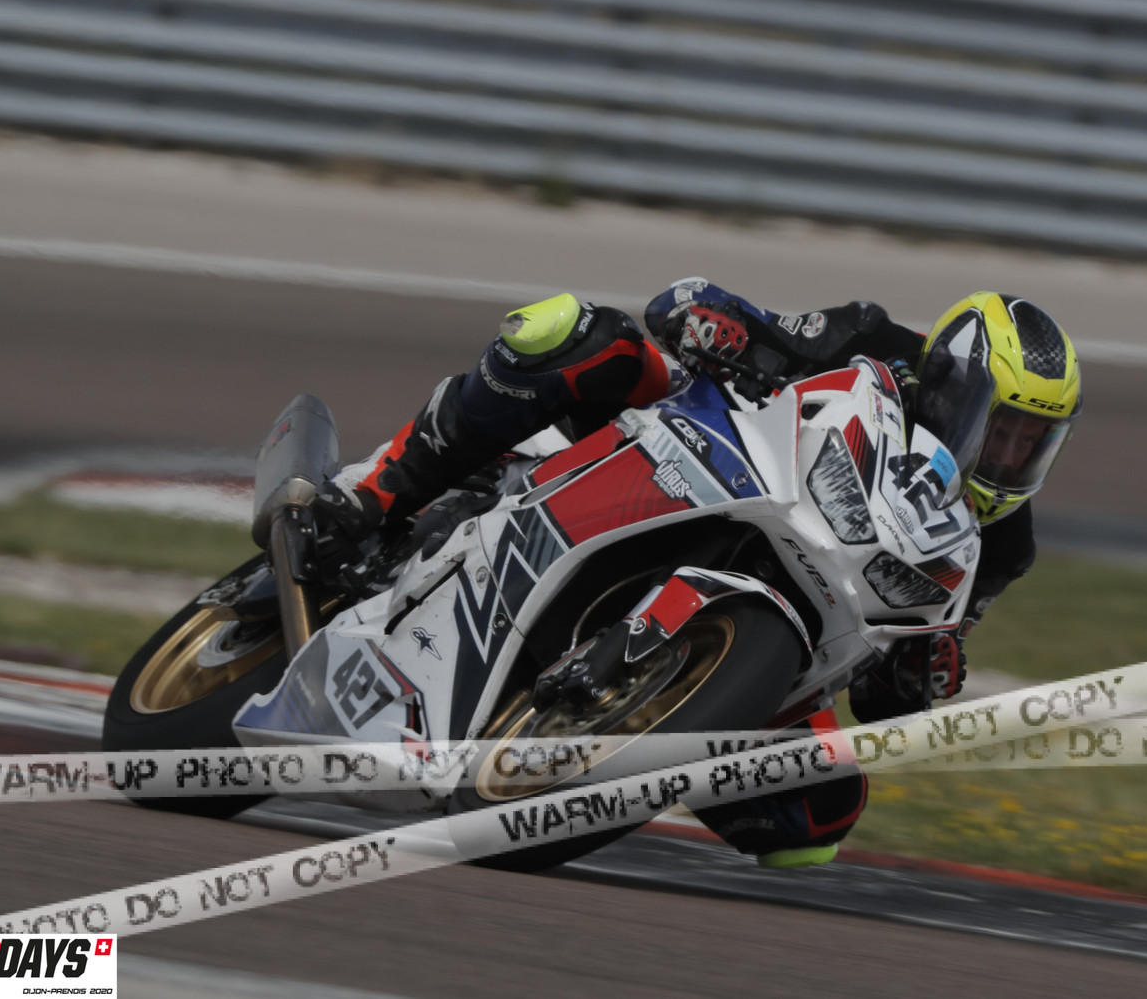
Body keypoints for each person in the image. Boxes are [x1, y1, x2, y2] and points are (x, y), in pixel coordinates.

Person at [320, 279, 1082, 867]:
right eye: (1005, 428)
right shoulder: (873, 341)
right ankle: (372, 492)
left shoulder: (1000, 547)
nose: (1012, 456)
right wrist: (713, 322)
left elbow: (889, 686)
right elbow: (717, 314)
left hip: (801, 613)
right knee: (578, 334)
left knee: (818, 817)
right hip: (702, 462)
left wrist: (922, 671)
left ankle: (644, 734)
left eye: (1034, 443)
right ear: (954, 384)